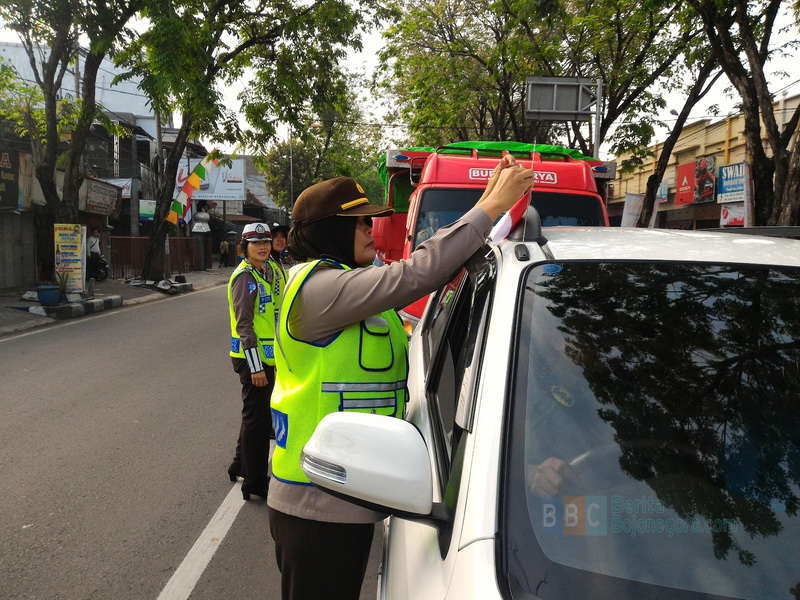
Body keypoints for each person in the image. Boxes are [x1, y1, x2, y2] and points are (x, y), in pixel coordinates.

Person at [267, 157, 533, 600]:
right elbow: (416, 274)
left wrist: (491, 198)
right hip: (315, 502)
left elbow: (430, 282)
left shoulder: (346, 285)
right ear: (332, 231)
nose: (371, 228)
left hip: (345, 490)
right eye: (360, 222)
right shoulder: (321, 290)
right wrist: (491, 207)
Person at [226, 222, 285, 501]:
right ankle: (255, 482)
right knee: (259, 423)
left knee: (255, 416)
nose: (262, 247)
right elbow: (244, 325)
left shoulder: (271, 270)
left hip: (269, 357)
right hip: (251, 359)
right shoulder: (245, 278)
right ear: (245, 247)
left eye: (266, 242)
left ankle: (240, 465)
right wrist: (256, 367)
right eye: (256, 243)